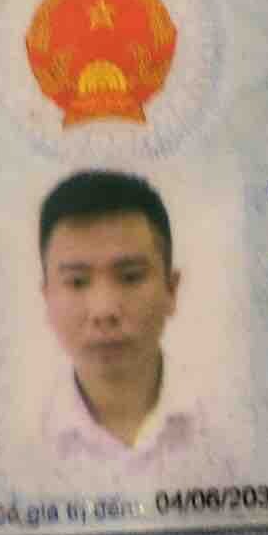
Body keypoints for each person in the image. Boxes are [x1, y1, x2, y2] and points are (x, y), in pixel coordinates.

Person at [34, 170, 215, 481]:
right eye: (77, 282)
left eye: (130, 277)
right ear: (47, 298)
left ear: (171, 290)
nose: (104, 310)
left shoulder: (231, 429)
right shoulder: (17, 446)